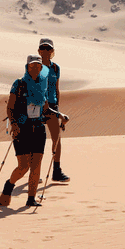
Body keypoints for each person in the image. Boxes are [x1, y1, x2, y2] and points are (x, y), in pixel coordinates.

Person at [0, 55, 51, 208]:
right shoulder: (19, 84)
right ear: (27, 67)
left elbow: (45, 107)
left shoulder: (42, 85)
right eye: (32, 65)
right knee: (23, 167)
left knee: (36, 165)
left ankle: (31, 199)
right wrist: (13, 123)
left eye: (38, 66)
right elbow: (10, 107)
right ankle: (8, 188)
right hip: (22, 129)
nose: (36, 68)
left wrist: (59, 115)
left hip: (39, 129)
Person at [37, 38, 70, 182]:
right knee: (37, 140)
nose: (45, 51)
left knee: (56, 139)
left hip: (53, 107)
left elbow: (57, 89)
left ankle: (56, 171)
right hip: (38, 107)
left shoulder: (56, 68)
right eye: (43, 48)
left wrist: (58, 108)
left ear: (52, 51)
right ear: (39, 51)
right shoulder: (34, 66)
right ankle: (34, 171)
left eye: (48, 48)